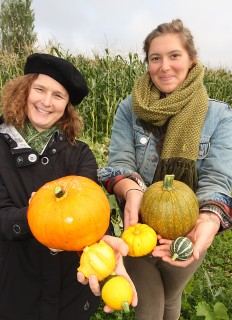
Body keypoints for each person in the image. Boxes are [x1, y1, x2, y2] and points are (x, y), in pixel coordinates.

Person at [98, 19, 232, 320]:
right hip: (138, 226)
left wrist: (209, 218)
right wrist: (132, 191)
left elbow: (217, 178)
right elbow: (119, 162)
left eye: (174, 55)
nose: (164, 66)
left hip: (187, 230)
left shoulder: (219, 115)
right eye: (155, 58)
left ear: (191, 60)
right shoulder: (129, 108)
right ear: (147, 63)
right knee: (149, 308)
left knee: (171, 297)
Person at [0, 53, 137, 320]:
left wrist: (104, 247)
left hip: (70, 290)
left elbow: (94, 211)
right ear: (24, 89)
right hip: (13, 286)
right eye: (39, 89)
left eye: (59, 96)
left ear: (67, 107)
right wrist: (35, 217)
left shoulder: (80, 154)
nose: (46, 102)